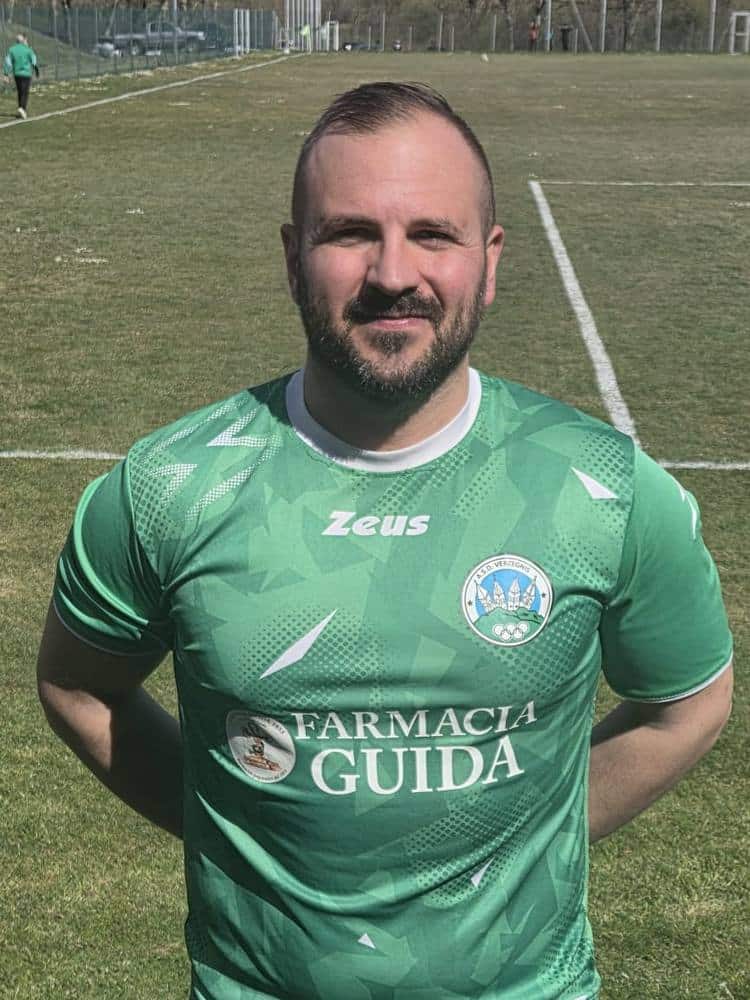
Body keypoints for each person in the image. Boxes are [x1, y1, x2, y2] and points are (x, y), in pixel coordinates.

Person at [37, 82, 733, 1000]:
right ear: (294, 258)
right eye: (350, 233)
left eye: (433, 234)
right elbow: (78, 684)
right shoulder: (166, 488)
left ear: (489, 260)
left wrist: (530, 837)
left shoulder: (605, 487)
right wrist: (238, 827)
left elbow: (687, 704)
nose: (393, 273)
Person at [3, 33, 38, 120]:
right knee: (25, 92)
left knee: (20, 91)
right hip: (26, 73)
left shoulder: (12, 49)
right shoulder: (28, 49)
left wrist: (6, 74)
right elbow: (33, 60)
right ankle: (22, 108)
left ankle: (21, 109)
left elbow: (8, 62)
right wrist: (36, 69)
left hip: (17, 74)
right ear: (24, 40)